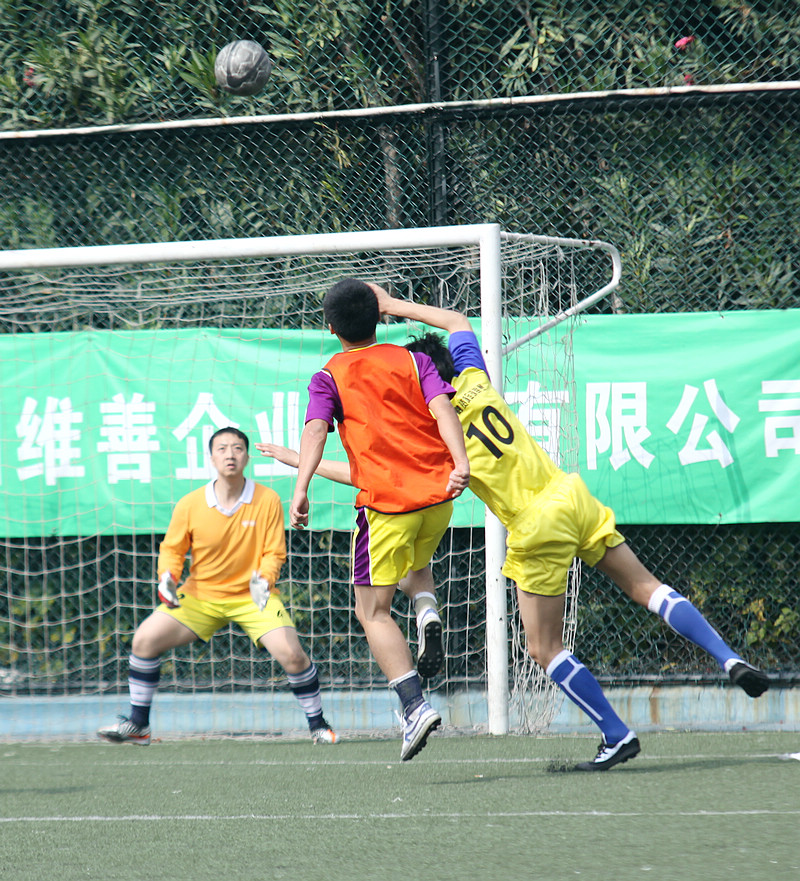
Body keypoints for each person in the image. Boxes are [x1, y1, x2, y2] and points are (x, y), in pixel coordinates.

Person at [263, 287, 770, 772]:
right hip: (571, 496)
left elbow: (378, 472)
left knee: (544, 649)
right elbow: (456, 321)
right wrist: (394, 304)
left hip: (533, 525)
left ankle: (616, 733)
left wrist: (301, 464)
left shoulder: (435, 435)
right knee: (648, 588)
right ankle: (728, 658)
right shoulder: (477, 381)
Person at [288, 278, 470, 762]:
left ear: (331, 328)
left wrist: (301, 488)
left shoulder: (329, 376)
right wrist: (461, 463)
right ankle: (427, 611)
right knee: (415, 563)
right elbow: (442, 408)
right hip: (438, 498)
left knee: (372, 611)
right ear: (379, 318)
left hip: (387, 507)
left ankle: (414, 707)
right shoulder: (413, 359)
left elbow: (315, 431)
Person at [98, 427, 336, 746]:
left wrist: (263, 581)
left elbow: (274, 552)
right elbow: (172, 549)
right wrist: (167, 578)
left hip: (254, 597)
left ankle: (318, 725)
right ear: (211, 458)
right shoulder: (190, 503)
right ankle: (138, 725)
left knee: (292, 655)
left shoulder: (267, 499)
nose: (230, 454)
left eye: (237, 448)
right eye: (221, 448)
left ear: (247, 457)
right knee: (144, 640)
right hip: (201, 597)